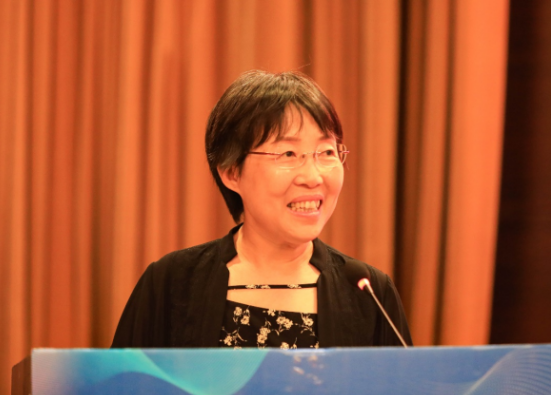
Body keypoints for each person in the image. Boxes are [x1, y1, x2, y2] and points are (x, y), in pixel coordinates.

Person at [111, 70, 412, 349]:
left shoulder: (369, 293)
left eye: (327, 152)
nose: (313, 177)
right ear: (231, 172)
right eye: (288, 153)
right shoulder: (171, 284)